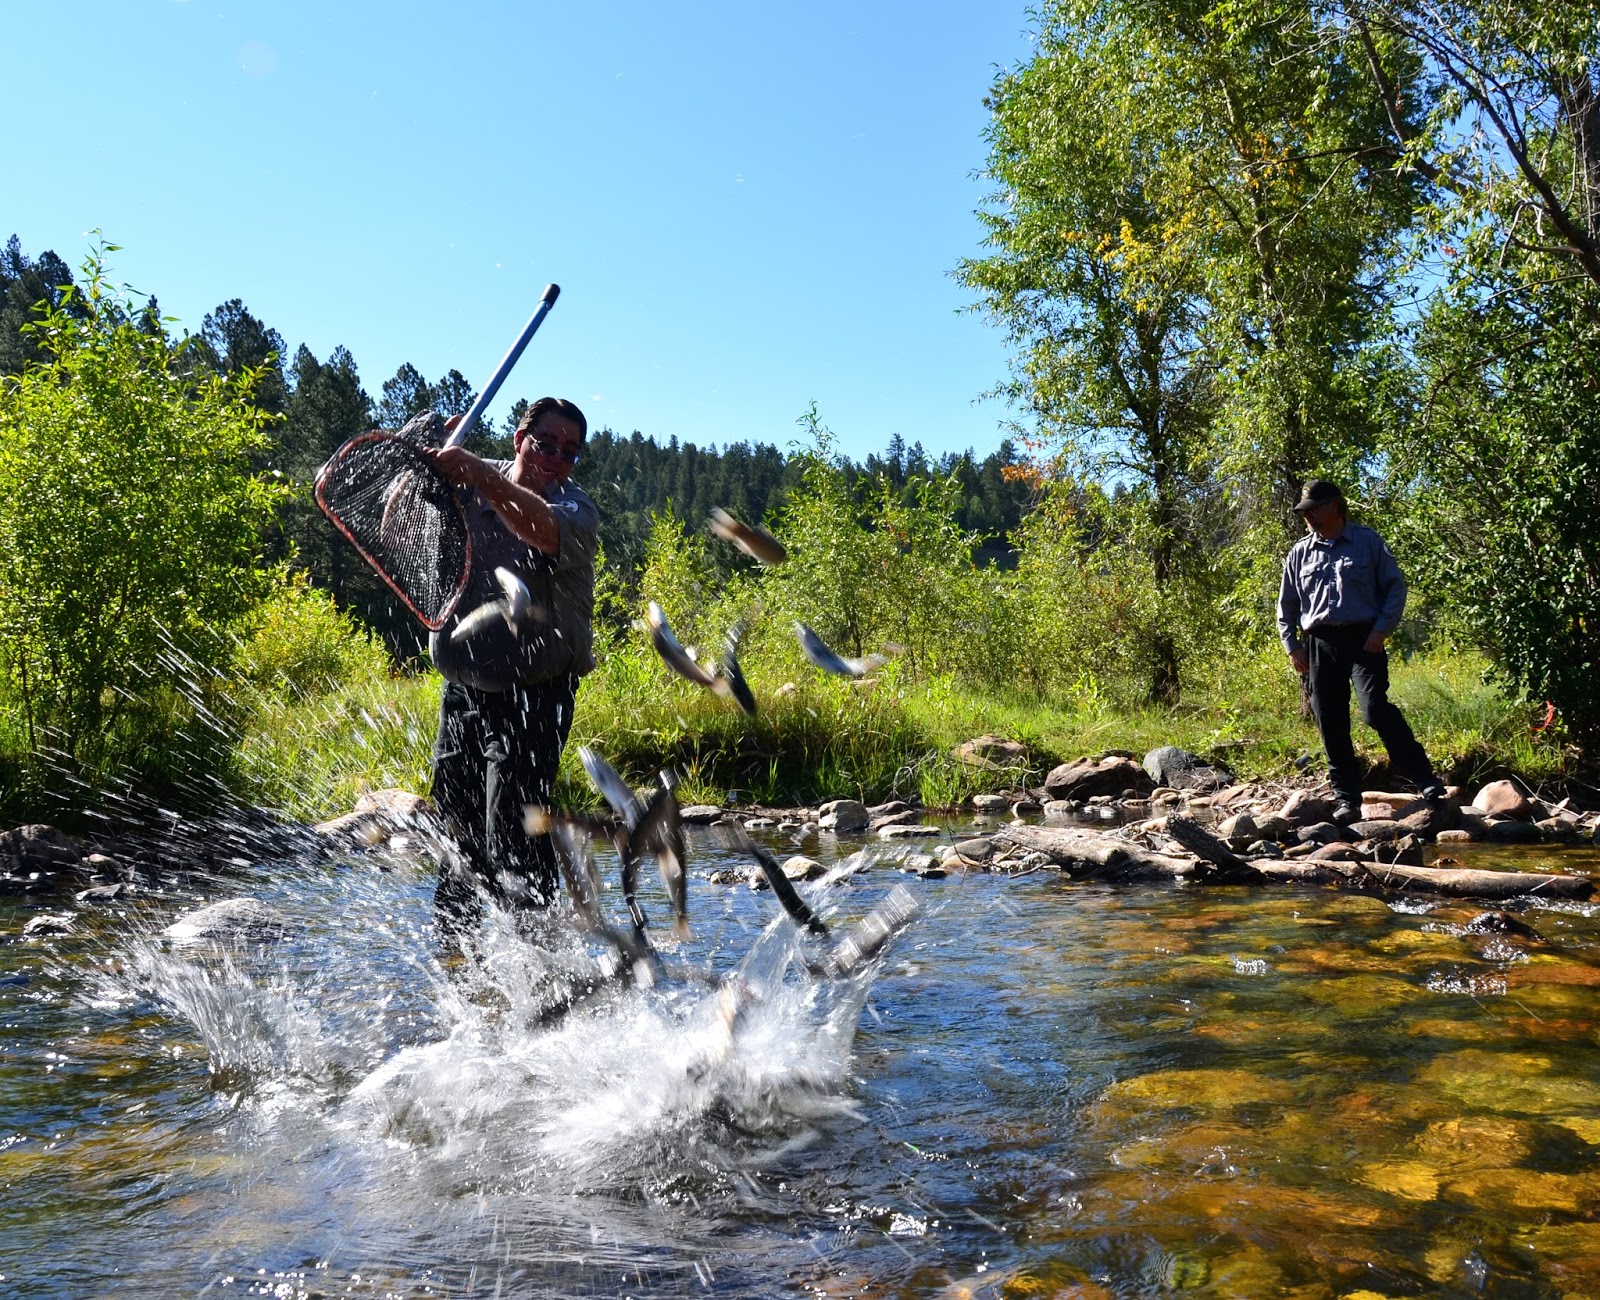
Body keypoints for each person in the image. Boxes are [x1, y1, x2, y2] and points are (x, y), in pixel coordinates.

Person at [420, 397, 597, 919]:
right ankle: (455, 947)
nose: (555, 458)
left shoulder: (575, 509)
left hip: (536, 694)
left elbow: (538, 528)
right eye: (546, 444)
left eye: (569, 452)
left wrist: (475, 471)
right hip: (465, 686)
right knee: (455, 824)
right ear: (520, 439)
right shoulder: (472, 478)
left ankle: (539, 948)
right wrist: (433, 464)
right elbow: (397, 520)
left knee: (515, 826)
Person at [1276, 479, 1444, 826]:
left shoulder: (1368, 542)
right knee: (1330, 720)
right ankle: (1347, 800)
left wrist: (1381, 630)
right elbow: (1286, 606)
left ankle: (1425, 779)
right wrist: (1292, 646)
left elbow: (1395, 588)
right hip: (1320, 642)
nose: (1308, 516)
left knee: (1375, 709)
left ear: (1335, 506)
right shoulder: (1299, 553)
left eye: (1314, 509)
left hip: (1365, 639)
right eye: (1304, 511)